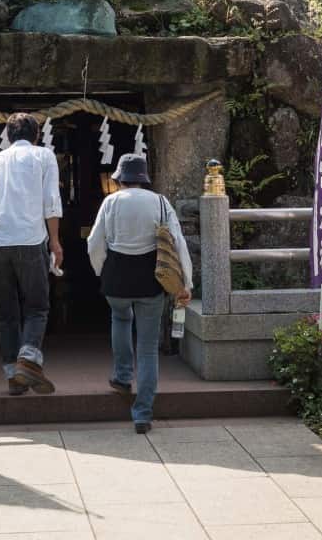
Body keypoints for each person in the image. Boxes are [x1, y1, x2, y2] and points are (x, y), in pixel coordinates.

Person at [87, 152, 192, 433]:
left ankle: (122, 376)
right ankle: (142, 413)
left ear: (121, 178)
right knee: (147, 348)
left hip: (117, 278)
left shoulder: (110, 202)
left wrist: (101, 269)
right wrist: (186, 283)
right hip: (151, 279)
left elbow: (94, 242)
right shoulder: (159, 202)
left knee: (120, 320)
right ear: (144, 178)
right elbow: (177, 242)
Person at [0, 112, 63, 395]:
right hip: (29, 239)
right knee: (37, 306)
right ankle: (28, 359)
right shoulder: (44, 157)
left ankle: (12, 376)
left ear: (8, 134)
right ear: (36, 135)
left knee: (6, 312)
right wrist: (55, 242)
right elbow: (51, 202)